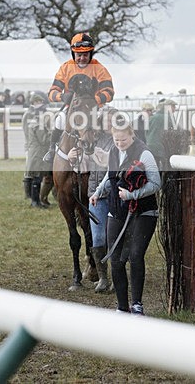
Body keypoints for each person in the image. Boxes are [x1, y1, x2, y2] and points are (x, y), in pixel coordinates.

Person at [89, 122, 161, 315]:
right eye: (116, 139)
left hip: (143, 211)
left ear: (132, 135)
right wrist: (97, 192)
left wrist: (132, 195)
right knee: (116, 260)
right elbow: (109, 175)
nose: (120, 143)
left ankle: (137, 304)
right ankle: (121, 307)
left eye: (123, 139)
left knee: (136, 256)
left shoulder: (144, 153)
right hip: (116, 210)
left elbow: (156, 183)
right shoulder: (113, 150)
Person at [43, 32, 115, 162]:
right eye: (79, 55)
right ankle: (52, 149)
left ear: (90, 54)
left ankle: (114, 152)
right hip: (73, 107)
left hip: (95, 108)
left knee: (108, 123)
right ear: (73, 54)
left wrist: (95, 100)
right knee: (60, 120)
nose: (82, 58)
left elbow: (109, 92)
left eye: (85, 55)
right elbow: (52, 93)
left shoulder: (99, 68)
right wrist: (62, 96)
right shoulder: (65, 68)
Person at [69, 106, 118, 292]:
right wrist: (74, 159)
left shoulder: (120, 141)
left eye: (110, 119)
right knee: (98, 237)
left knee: (113, 237)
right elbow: (83, 166)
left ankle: (116, 278)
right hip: (96, 196)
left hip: (114, 195)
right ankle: (103, 278)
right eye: (104, 119)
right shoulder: (94, 140)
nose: (107, 123)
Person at [22, 94, 51, 207]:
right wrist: (52, 135)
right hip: (37, 151)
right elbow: (43, 139)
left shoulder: (35, 120)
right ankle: (35, 201)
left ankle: (35, 200)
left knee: (36, 175)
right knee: (36, 177)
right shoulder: (36, 122)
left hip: (36, 150)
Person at [145, 99, 176, 170]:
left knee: (152, 168)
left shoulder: (152, 118)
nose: (175, 109)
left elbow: (146, 132)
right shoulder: (170, 118)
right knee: (166, 168)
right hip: (163, 147)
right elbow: (173, 134)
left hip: (150, 146)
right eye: (173, 106)